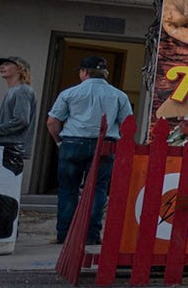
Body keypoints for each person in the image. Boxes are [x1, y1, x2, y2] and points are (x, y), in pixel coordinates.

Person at [45, 57, 133, 245]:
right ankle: (91, 235)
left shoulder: (70, 93)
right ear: (105, 74)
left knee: (68, 189)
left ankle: (64, 234)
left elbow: (52, 122)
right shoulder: (119, 95)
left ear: (84, 72)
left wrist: (60, 142)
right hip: (105, 144)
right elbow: (128, 124)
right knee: (98, 189)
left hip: (73, 142)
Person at [0, 58, 36, 175]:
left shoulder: (22, 90)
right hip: (5, 148)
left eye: (7, 64)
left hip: (10, 149)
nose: (2, 67)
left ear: (20, 69)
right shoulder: (14, 90)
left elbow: (21, 121)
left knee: (2, 190)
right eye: (1, 65)